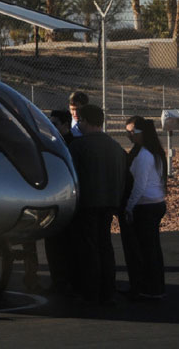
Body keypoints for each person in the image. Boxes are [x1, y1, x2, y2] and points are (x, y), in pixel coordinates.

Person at [67, 104, 126, 304]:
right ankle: (107, 290)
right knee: (105, 246)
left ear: (85, 121)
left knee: (88, 248)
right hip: (109, 202)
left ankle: (90, 291)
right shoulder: (115, 146)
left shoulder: (79, 146)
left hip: (87, 204)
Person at [121, 115, 168, 299]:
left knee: (145, 250)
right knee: (153, 249)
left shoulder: (143, 156)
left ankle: (149, 288)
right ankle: (155, 287)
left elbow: (139, 185)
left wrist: (129, 207)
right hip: (156, 203)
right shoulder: (154, 152)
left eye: (133, 132)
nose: (130, 136)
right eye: (128, 132)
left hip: (146, 206)